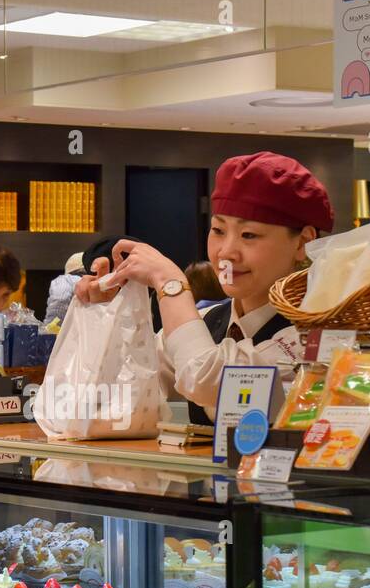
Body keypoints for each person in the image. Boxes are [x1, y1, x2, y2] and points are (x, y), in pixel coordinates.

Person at [75, 151, 333, 423]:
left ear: (302, 242)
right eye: (218, 231)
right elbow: (117, 394)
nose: (227, 253)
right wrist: (107, 315)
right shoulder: (207, 321)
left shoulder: (317, 336)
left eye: (249, 235)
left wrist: (170, 284)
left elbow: (209, 382)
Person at [43, 251, 86, 324]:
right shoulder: (101, 281)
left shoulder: (67, 280)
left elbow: (60, 299)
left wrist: (50, 329)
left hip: (73, 333)